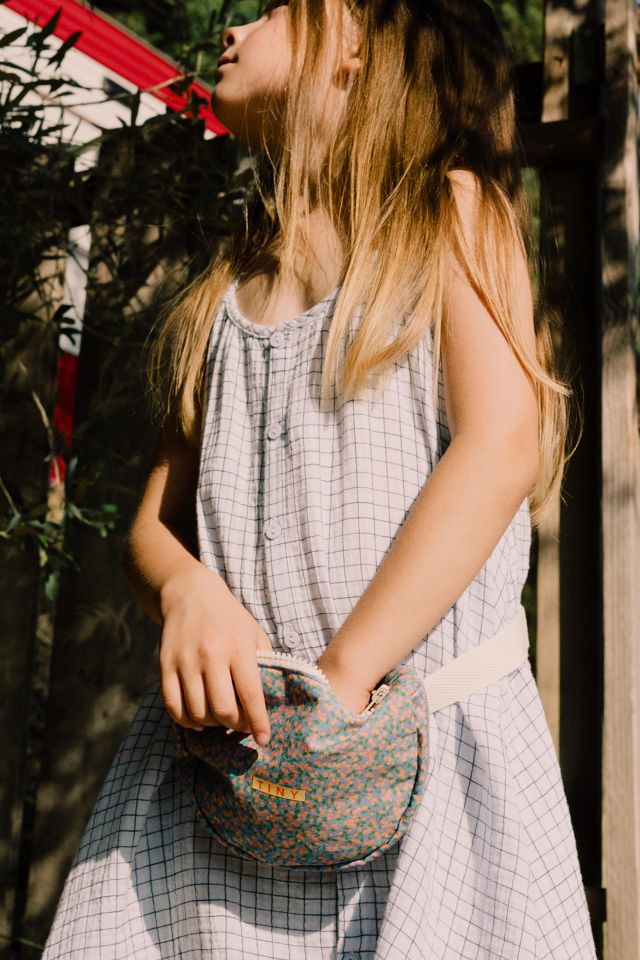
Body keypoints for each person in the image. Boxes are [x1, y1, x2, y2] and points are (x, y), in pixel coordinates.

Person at [41, 0, 598, 957]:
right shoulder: (228, 284)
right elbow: (151, 529)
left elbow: (500, 445)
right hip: (234, 776)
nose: (231, 29)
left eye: (271, 9)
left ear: (350, 44)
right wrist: (185, 592)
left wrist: (343, 684)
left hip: (425, 756)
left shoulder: (448, 212)